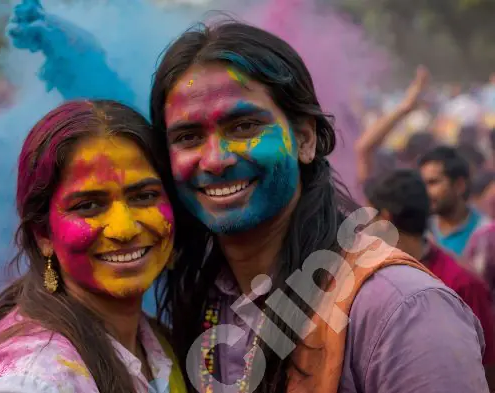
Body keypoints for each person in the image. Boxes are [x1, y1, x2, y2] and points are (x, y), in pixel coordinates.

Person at [151, 21, 489, 393]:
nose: (215, 160)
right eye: (188, 137)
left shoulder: (401, 309)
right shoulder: (204, 299)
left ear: (306, 139)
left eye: (244, 126)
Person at [0, 100, 185, 393]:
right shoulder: (30, 379)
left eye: (144, 196)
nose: (124, 229)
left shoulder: (154, 342)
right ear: (42, 234)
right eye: (88, 206)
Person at [364, 169, 495, 366]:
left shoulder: (462, 283)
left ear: (385, 219)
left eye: (370, 218)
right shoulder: (374, 276)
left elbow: (488, 368)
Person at [419, 146, 490, 256]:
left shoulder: (486, 233)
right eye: (423, 184)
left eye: (433, 183)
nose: (426, 191)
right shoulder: (421, 231)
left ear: (459, 185)